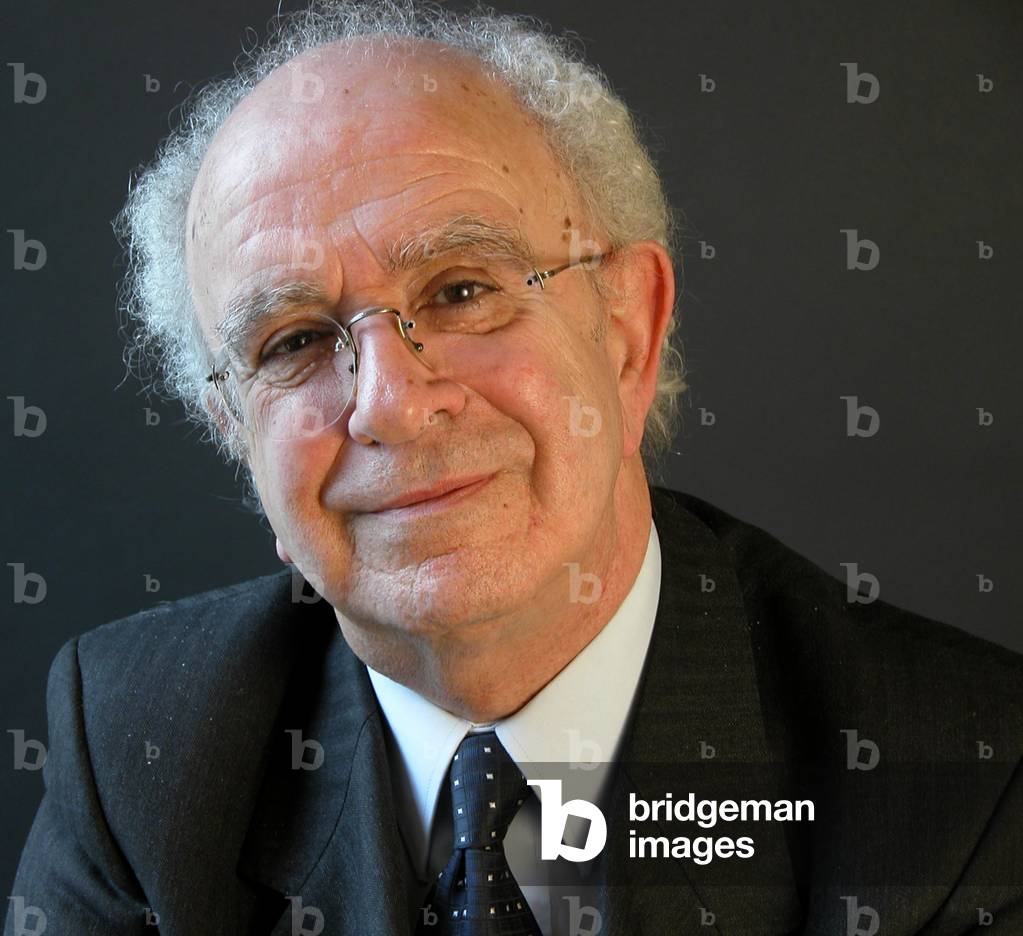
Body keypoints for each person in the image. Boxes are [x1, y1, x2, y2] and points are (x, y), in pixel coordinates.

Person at [6, 2, 1022, 934]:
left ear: (627, 334)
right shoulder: (144, 751)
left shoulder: (954, 781)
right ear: (235, 429)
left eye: (458, 290)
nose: (391, 405)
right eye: (295, 342)